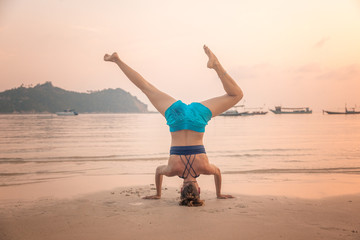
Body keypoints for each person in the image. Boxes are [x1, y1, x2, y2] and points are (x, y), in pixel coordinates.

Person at [104, 45, 243, 206]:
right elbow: (158, 172)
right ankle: (117, 60)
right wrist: (158, 193)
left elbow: (217, 173)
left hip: (197, 117)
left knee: (236, 95)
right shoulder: (172, 169)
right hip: (176, 117)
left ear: (198, 190)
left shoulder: (204, 167)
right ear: (180, 189)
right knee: (145, 87)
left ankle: (216, 65)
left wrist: (219, 193)